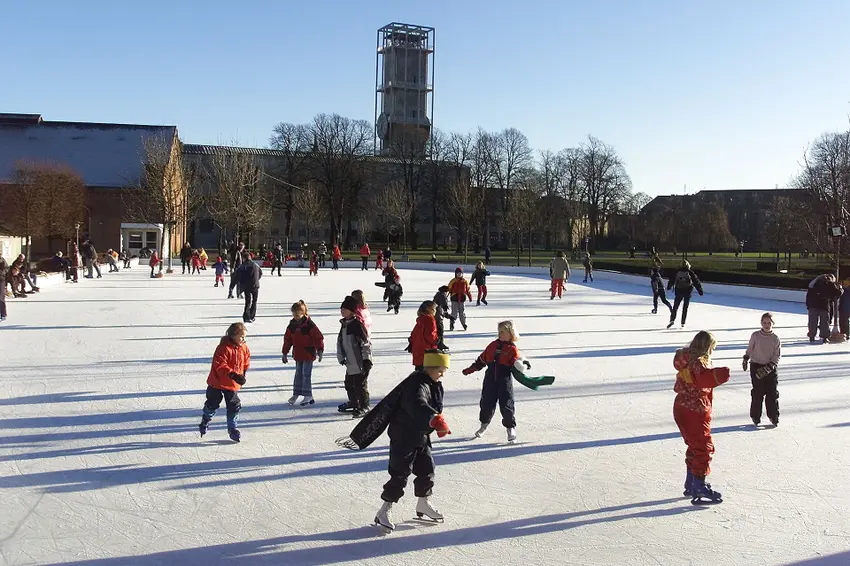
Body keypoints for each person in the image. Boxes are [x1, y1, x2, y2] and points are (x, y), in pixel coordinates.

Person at [336, 350, 450, 533]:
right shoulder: (416, 384)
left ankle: (423, 502)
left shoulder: (432, 383)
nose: (442, 374)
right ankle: (384, 510)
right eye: (440, 370)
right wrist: (434, 419)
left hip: (420, 434)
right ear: (429, 368)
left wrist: (434, 421)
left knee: (427, 469)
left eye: (444, 371)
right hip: (403, 435)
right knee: (400, 473)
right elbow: (418, 404)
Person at [673, 330, 729, 505]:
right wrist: (722, 374)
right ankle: (699, 486)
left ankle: (691, 483)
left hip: (681, 407)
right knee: (703, 448)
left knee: (694, 445)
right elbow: (704, 379)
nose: (712, 351)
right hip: (694, 410)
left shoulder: (686, 359)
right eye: (712, 347)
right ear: (707, 346)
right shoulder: (698, 363)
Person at [462, 320, 530, 443]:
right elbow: (481, 360)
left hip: (504, 380)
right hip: (490, 379)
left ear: (511, 333)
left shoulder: (512, 349)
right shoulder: (492, 345)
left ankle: (510, 428)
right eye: (499, 331)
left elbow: (517, 362)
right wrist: (470, 369)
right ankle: (484, 425)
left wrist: (523, 364)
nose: (500, 334)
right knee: (486, 403)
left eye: (503, 332)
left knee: (507, 404)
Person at [199, 322, 250, 442]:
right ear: (233, 335)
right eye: (241, 337)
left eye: (245, 337)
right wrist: (233, 374)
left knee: (234, 405)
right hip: (217, 381)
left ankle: (233, 428)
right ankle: (205, 420)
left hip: (232, 383)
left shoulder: (244, 348)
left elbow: (246, 361)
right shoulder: (223, 348)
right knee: (213, 402)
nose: (243, 339)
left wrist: (242, 374)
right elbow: (220, 365)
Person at [282, 300, 325, 407]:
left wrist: (320, 350)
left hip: (308, 354)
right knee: (298, 374)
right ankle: (296, 393)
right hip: (298, 353)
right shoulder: (292, 325)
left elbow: (318, 337)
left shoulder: (309, 324)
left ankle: (308, 395)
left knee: (306, 374)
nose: (295, 317)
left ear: (303, 313)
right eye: (294, 315)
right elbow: (287, 340)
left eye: (297, 315)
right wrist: (284, 353)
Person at [742, 312, 781, 427]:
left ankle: (774, 416)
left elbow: (777, 355)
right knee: (757, 393)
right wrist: (746, 358)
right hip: (756, 366)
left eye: (769, 323)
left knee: (772, 393)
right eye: (764, 323)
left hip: (770, 368)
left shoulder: (775, 338)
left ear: (773, 324)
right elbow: (750, 348)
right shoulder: (755, 335)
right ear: (761, 323)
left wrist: (770, 366)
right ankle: (755, 416)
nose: (766, 325)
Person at [337, 295, 373, 418]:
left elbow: (365, 344)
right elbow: (340, 342)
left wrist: (367, 359)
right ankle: (354, 402)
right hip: (350, 362)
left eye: (345, 309)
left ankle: (364, 405)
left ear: (351, 311)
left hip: (360, 362)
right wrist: (341, 357)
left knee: (360, 386)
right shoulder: (344, 324)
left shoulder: (357, 325)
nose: (342, 311)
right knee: (349, 384)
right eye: (341, 309)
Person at [666, 260, 703, 329]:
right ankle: (682, 323)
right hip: (687, 292)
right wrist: (700, 291)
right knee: (685, 307)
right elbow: (696, 281)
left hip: (679, 291)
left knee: (675, 306)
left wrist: (669, 287)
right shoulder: (690, 272)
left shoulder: (677, 272)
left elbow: (671, 280)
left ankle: (672, 320)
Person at [806, 274, 842, 343]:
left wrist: (808, 305)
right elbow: (837, 293)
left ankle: (812, 336)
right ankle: (824, 337)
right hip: (824, 305)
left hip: (813, 305)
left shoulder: (813, 283)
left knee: (812, 322)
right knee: (824, 322)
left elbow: (808, 295)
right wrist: (840, 288)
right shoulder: (830, 283)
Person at [408, 301, 439, 370]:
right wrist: (436, 341)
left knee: (419, 370)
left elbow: (413, 334)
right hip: (427, 351)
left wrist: (411, 343)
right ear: (429, 309)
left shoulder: (420, 319)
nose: (435, 311)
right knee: (428, 372)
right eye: (434, 308)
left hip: (417, 350)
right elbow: (430, 335)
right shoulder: (430, 319)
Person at [238, 252, 262, 323]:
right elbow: (260, 273)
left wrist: (241, 284)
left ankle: (246, 316)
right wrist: (256, 279)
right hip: (255, 285)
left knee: (248, 301)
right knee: (254, 301)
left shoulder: (243, 265)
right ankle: (252, 316)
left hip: (247, 285)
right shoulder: (256, 265)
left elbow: (240, 275)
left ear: (244, 258)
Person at [432, 285, 454, 350]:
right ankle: (439, 344)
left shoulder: (438, 295)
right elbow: (443, 306)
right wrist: (445, 307)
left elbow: (442, 310)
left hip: (437, 316)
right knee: (440, 331)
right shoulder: (442, 295)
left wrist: (449, 316)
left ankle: (439, 344)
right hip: (438, 318)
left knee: (439, 331)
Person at [0, 253, 7, 321]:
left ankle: (3, 314)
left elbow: (5, 269)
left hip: (1, 280)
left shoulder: (2, 261)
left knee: (1, 298)